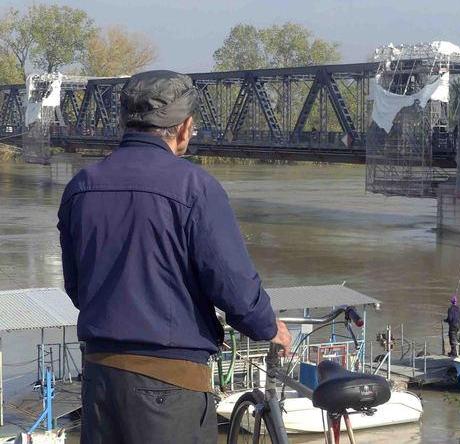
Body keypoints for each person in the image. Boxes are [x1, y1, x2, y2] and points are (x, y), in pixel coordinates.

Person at [57, 70, 291, 444]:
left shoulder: (81, 187)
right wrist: (267, 327)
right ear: (184, 128)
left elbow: (77, 288)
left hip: (101, 381)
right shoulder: (195, 187)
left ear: (126, 122)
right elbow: (233, 286)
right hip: (170, 388)